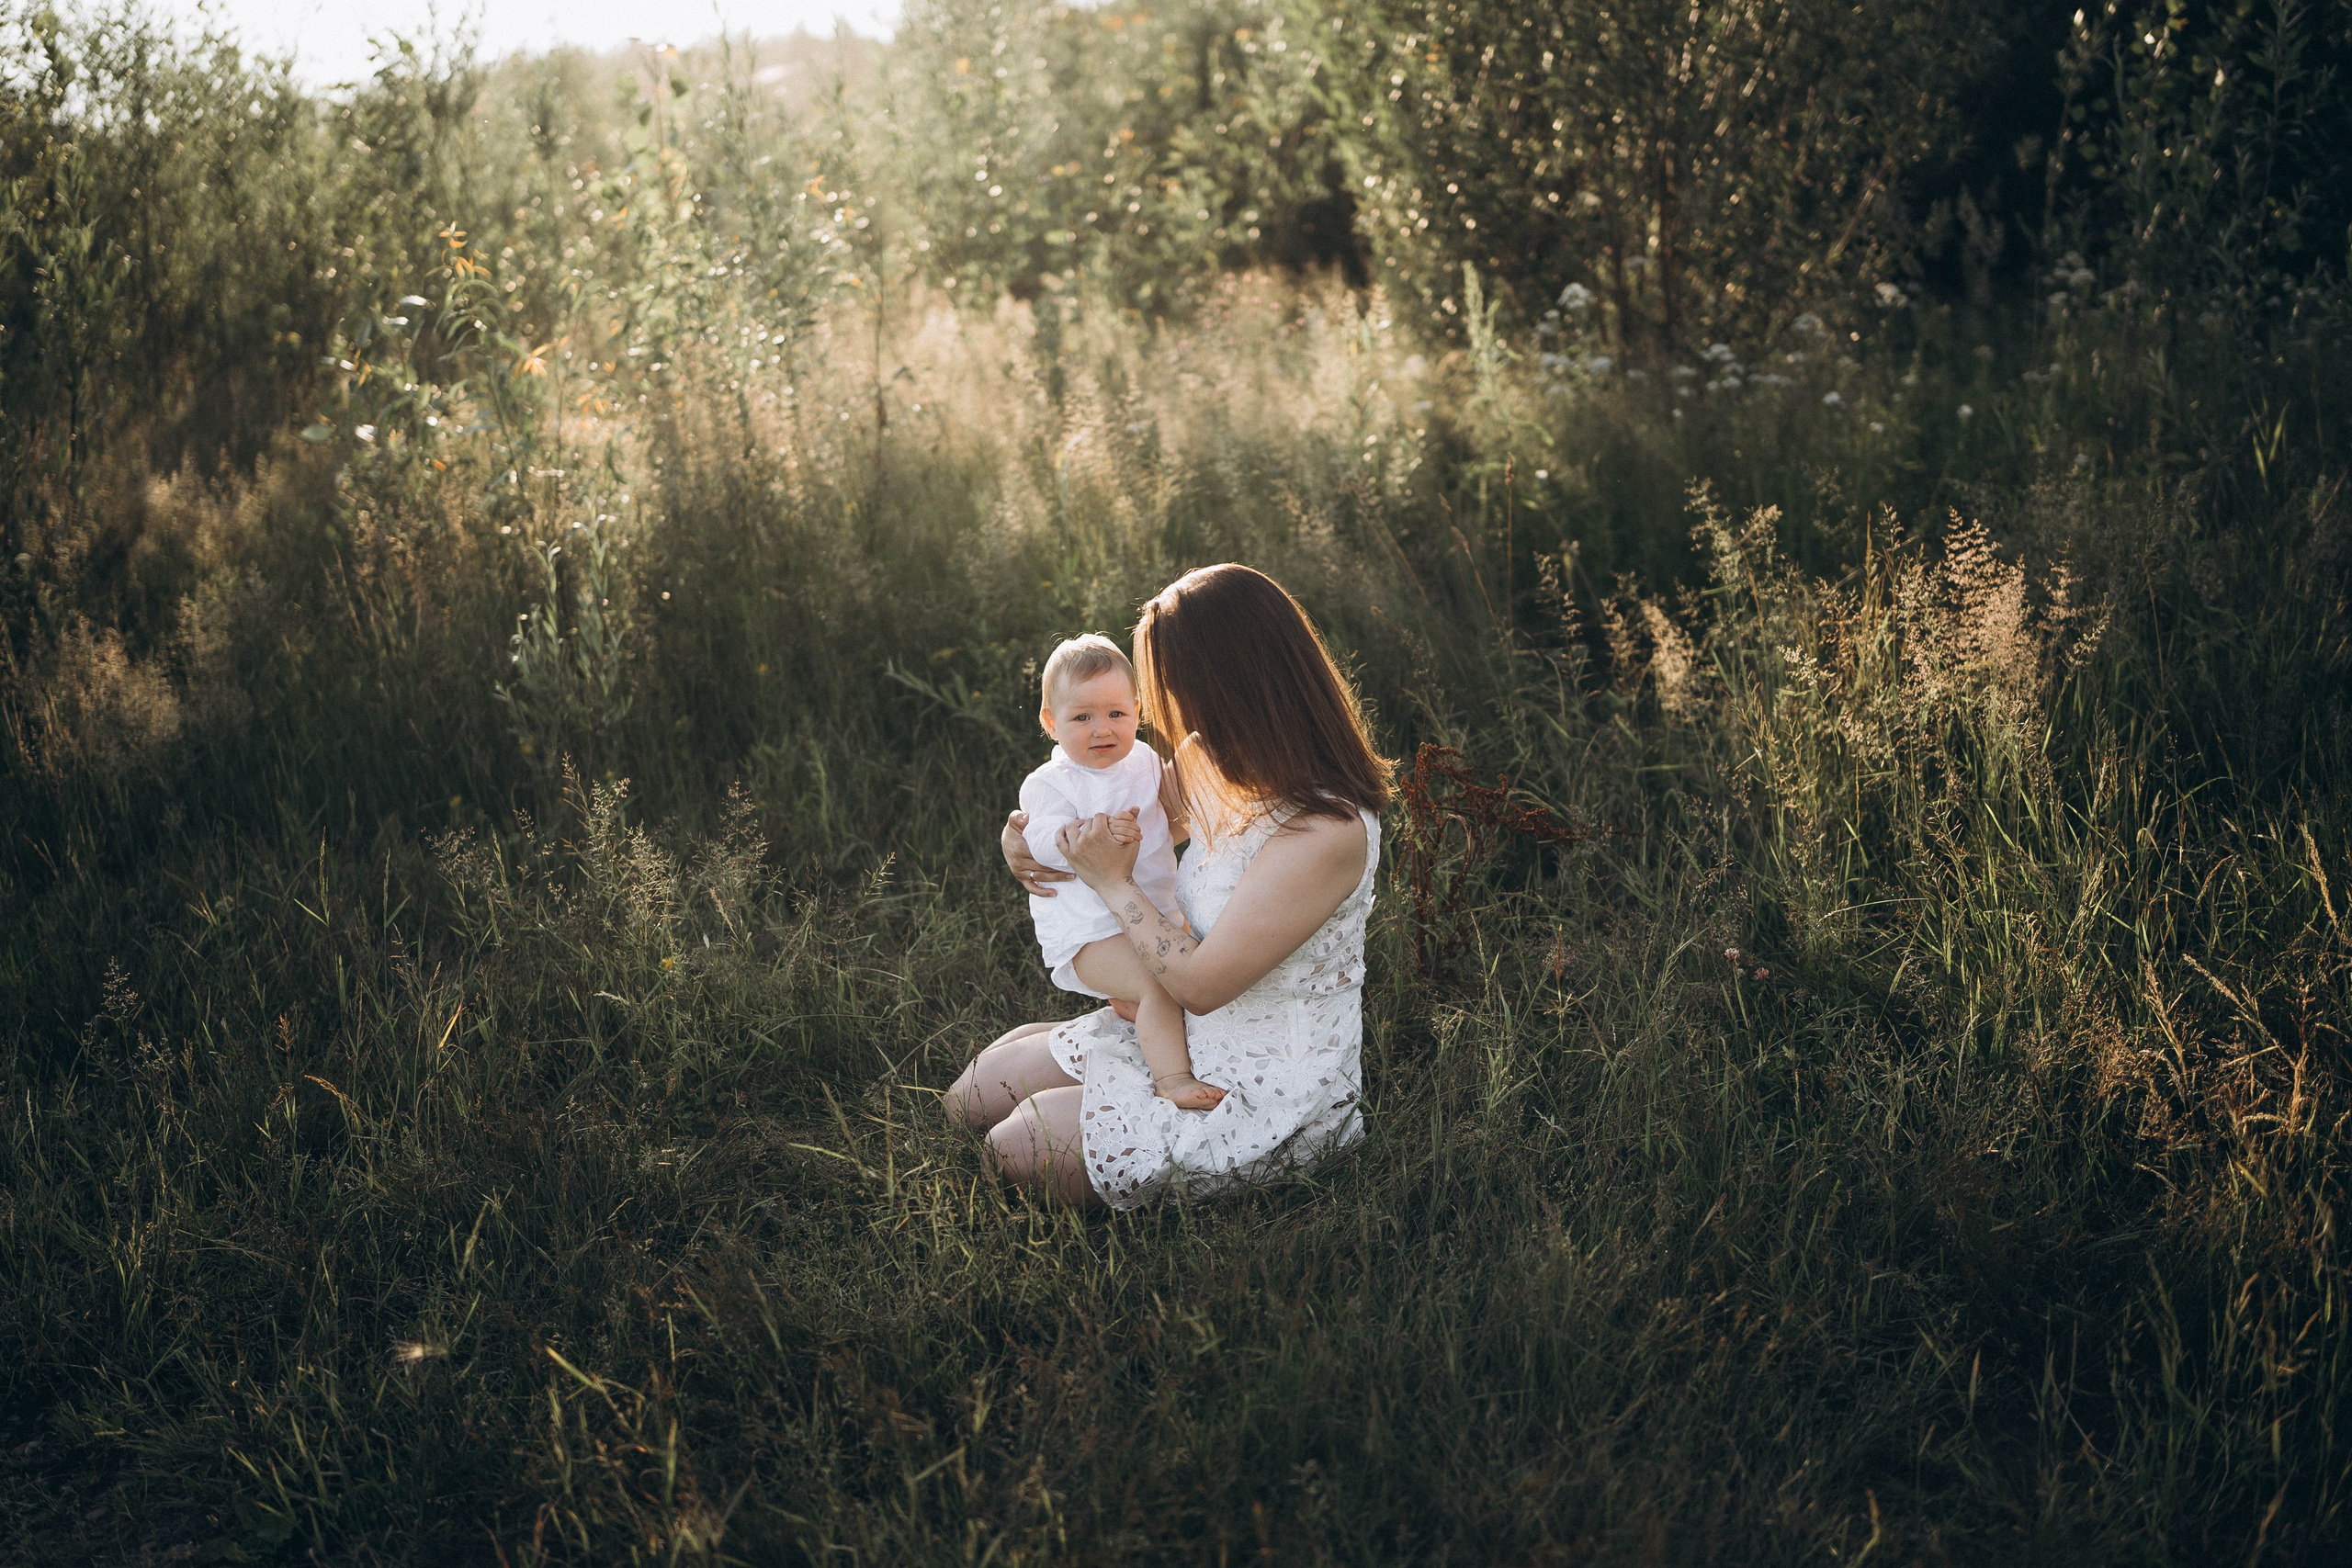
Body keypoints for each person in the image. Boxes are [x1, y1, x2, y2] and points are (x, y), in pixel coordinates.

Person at [945, 563, 1391, 1209]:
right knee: (971, 1096)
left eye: (1168, 687)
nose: (1158, 709)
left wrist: (1112, 882)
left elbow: (1202, 985)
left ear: (1223, 682)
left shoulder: (1328, 829)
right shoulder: (1213, 755)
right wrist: (1023, 837)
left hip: (1265, 1084)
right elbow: (1128, 813)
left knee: (1013, 1144)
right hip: (1181, 1024)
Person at [1017, 633, 1224, 1111]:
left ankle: (1134, 1009)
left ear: (1137, 711)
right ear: (1051, 723)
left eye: (1116, 714)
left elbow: (1170, 815)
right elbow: (1040, 841)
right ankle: (1172, 1079)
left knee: (1182, 969)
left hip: (1153, 913)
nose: (1101, 730)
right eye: (1082, 718)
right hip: (1091, 932)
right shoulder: (1052, 782)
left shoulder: (1144, 760)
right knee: (1157, 982)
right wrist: (1092, 834)